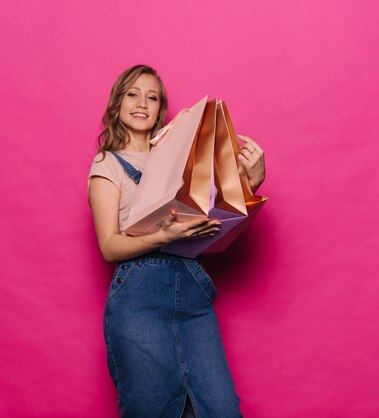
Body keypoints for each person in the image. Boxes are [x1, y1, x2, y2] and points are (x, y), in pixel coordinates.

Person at [87, 64, 265, 418]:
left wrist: (252, 181)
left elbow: (215, 215)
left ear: (160, 109)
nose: (142, 103)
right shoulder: (108, 164)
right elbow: (109, 246)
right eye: (132, 94)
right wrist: (162, 236)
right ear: (117, 104)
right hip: (139, 302)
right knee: (152, 410)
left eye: (151, 97)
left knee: (221, 409)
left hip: (193, 297)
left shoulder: (182, 160)